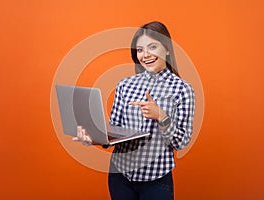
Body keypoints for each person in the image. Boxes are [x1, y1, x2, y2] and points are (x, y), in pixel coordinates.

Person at [73, 21, 195, 200]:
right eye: (140, 50)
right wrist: (94, 138)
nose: (145, 55)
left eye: (152, 47)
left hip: (156, 180)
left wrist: (161, 116)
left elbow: (181, 142)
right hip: (120, 176)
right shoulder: (125, 85)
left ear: (167, 49)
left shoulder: (183, 90)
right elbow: (115, 131)